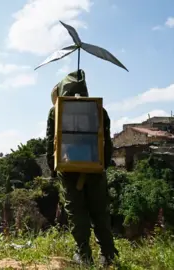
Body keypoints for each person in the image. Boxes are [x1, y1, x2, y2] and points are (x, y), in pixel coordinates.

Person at [45, 70, 118, 266]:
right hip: (95, 167)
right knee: (99, 211)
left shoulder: (56, 112)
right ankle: (108, 254)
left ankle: (84, 254)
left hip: (68, 168)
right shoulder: (99, 110)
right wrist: (102, 167)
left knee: (76, 211)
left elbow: (51, 142)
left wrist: (53, 169)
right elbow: (106, 144)